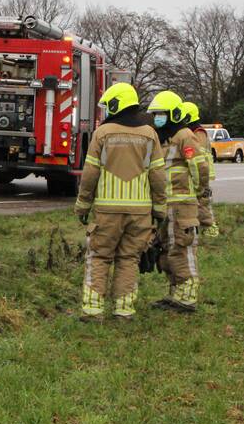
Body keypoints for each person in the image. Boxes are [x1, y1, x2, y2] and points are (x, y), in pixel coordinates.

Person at [74, 83, 167, 321]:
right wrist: (159, 209)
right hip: (140, 214)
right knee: (129, 259)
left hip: (107, 211)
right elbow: (158, 176)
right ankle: (124, 311)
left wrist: (83, 205)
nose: (106, 111)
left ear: (117, 104)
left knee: (99, 256)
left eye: (108, 106)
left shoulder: (102, 134)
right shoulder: (150, 134)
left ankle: (93, 311)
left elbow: (90, 174)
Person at [147, 90, 210, 313]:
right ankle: (176, 294)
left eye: (160, 114)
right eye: (155, 115)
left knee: (181, 250)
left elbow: (200, 166)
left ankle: (188, 297)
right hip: (166, 206)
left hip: (182, 206)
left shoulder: (184, 135)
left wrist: (200, 191)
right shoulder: (164, 137)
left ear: (172, 114)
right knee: (166, 251)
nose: (157, 119)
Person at [180, 101, 218, 237]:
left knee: (203, 203)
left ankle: (211, 230)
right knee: (200, 203)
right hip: (200, 172)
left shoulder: (198, 133)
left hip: (203, 173)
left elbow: (197, 156)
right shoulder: (192, 132)